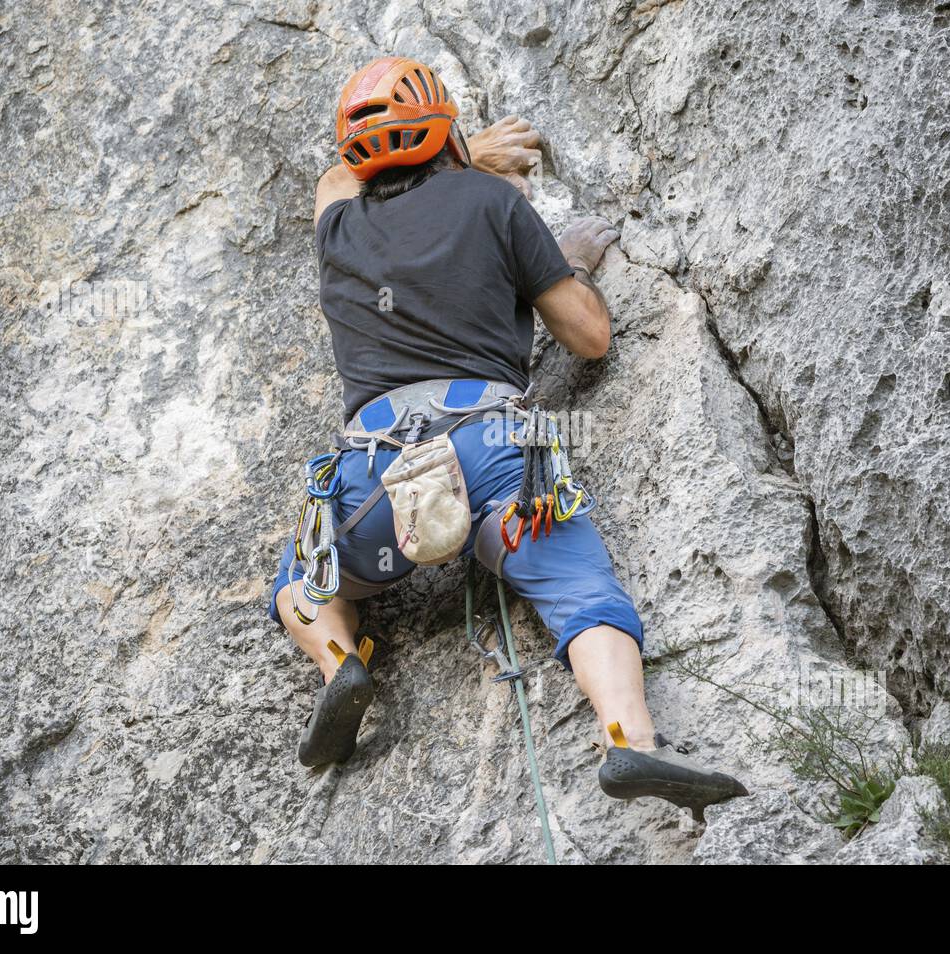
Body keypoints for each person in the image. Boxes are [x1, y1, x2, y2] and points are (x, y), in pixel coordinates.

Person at [268, 55, 747, 820]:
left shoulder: (338, 225)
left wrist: (461, 154)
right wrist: (564, 264)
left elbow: (335, 179)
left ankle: (339, 667)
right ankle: (631, 737)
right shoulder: (492, 203)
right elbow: (589, 336)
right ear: (445, 135)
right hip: (490, 458)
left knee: (304, 581)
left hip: (373, 478)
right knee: (580, 588)